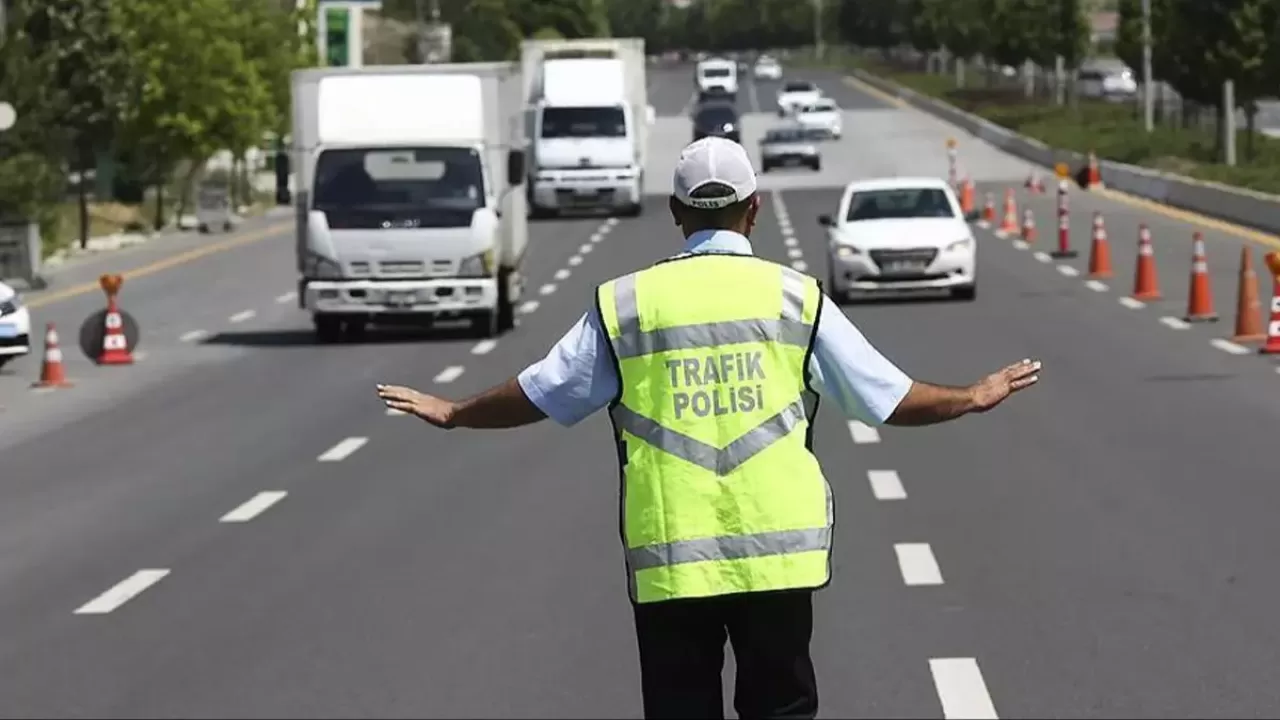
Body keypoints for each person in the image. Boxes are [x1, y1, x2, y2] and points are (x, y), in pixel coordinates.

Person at [377, 137, 1042, 719]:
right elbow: (886, 398)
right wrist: (972, 395)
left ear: (675, 214)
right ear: (753, 210)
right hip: (778, 560)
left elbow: (543, 391)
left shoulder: (628, 304)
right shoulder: (794, 297)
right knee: (780, 709)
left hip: (672, 559)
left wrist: (455, 413)